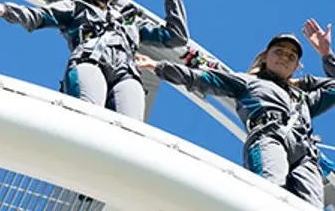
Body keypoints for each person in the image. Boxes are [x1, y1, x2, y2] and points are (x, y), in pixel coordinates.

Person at [0, 0, 189, 120]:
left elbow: (176, 37)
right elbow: (39, 16)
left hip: (126, 73)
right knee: (90, 116)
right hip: (90, 63)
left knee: (133, 130)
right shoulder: (75, 8)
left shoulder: (131, 22)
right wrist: (3, 9)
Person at [137, 31, 335, 209]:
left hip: (305, 154)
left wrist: (325, 57)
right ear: (266, 57)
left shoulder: (303, 99)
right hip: (270, 137)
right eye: (279, 51)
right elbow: (203, 79)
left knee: (311, 206)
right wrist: (159, 67)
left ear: (295, 67)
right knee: (271, 194)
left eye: (291, 57)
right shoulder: (247, 82)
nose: (285, 57)